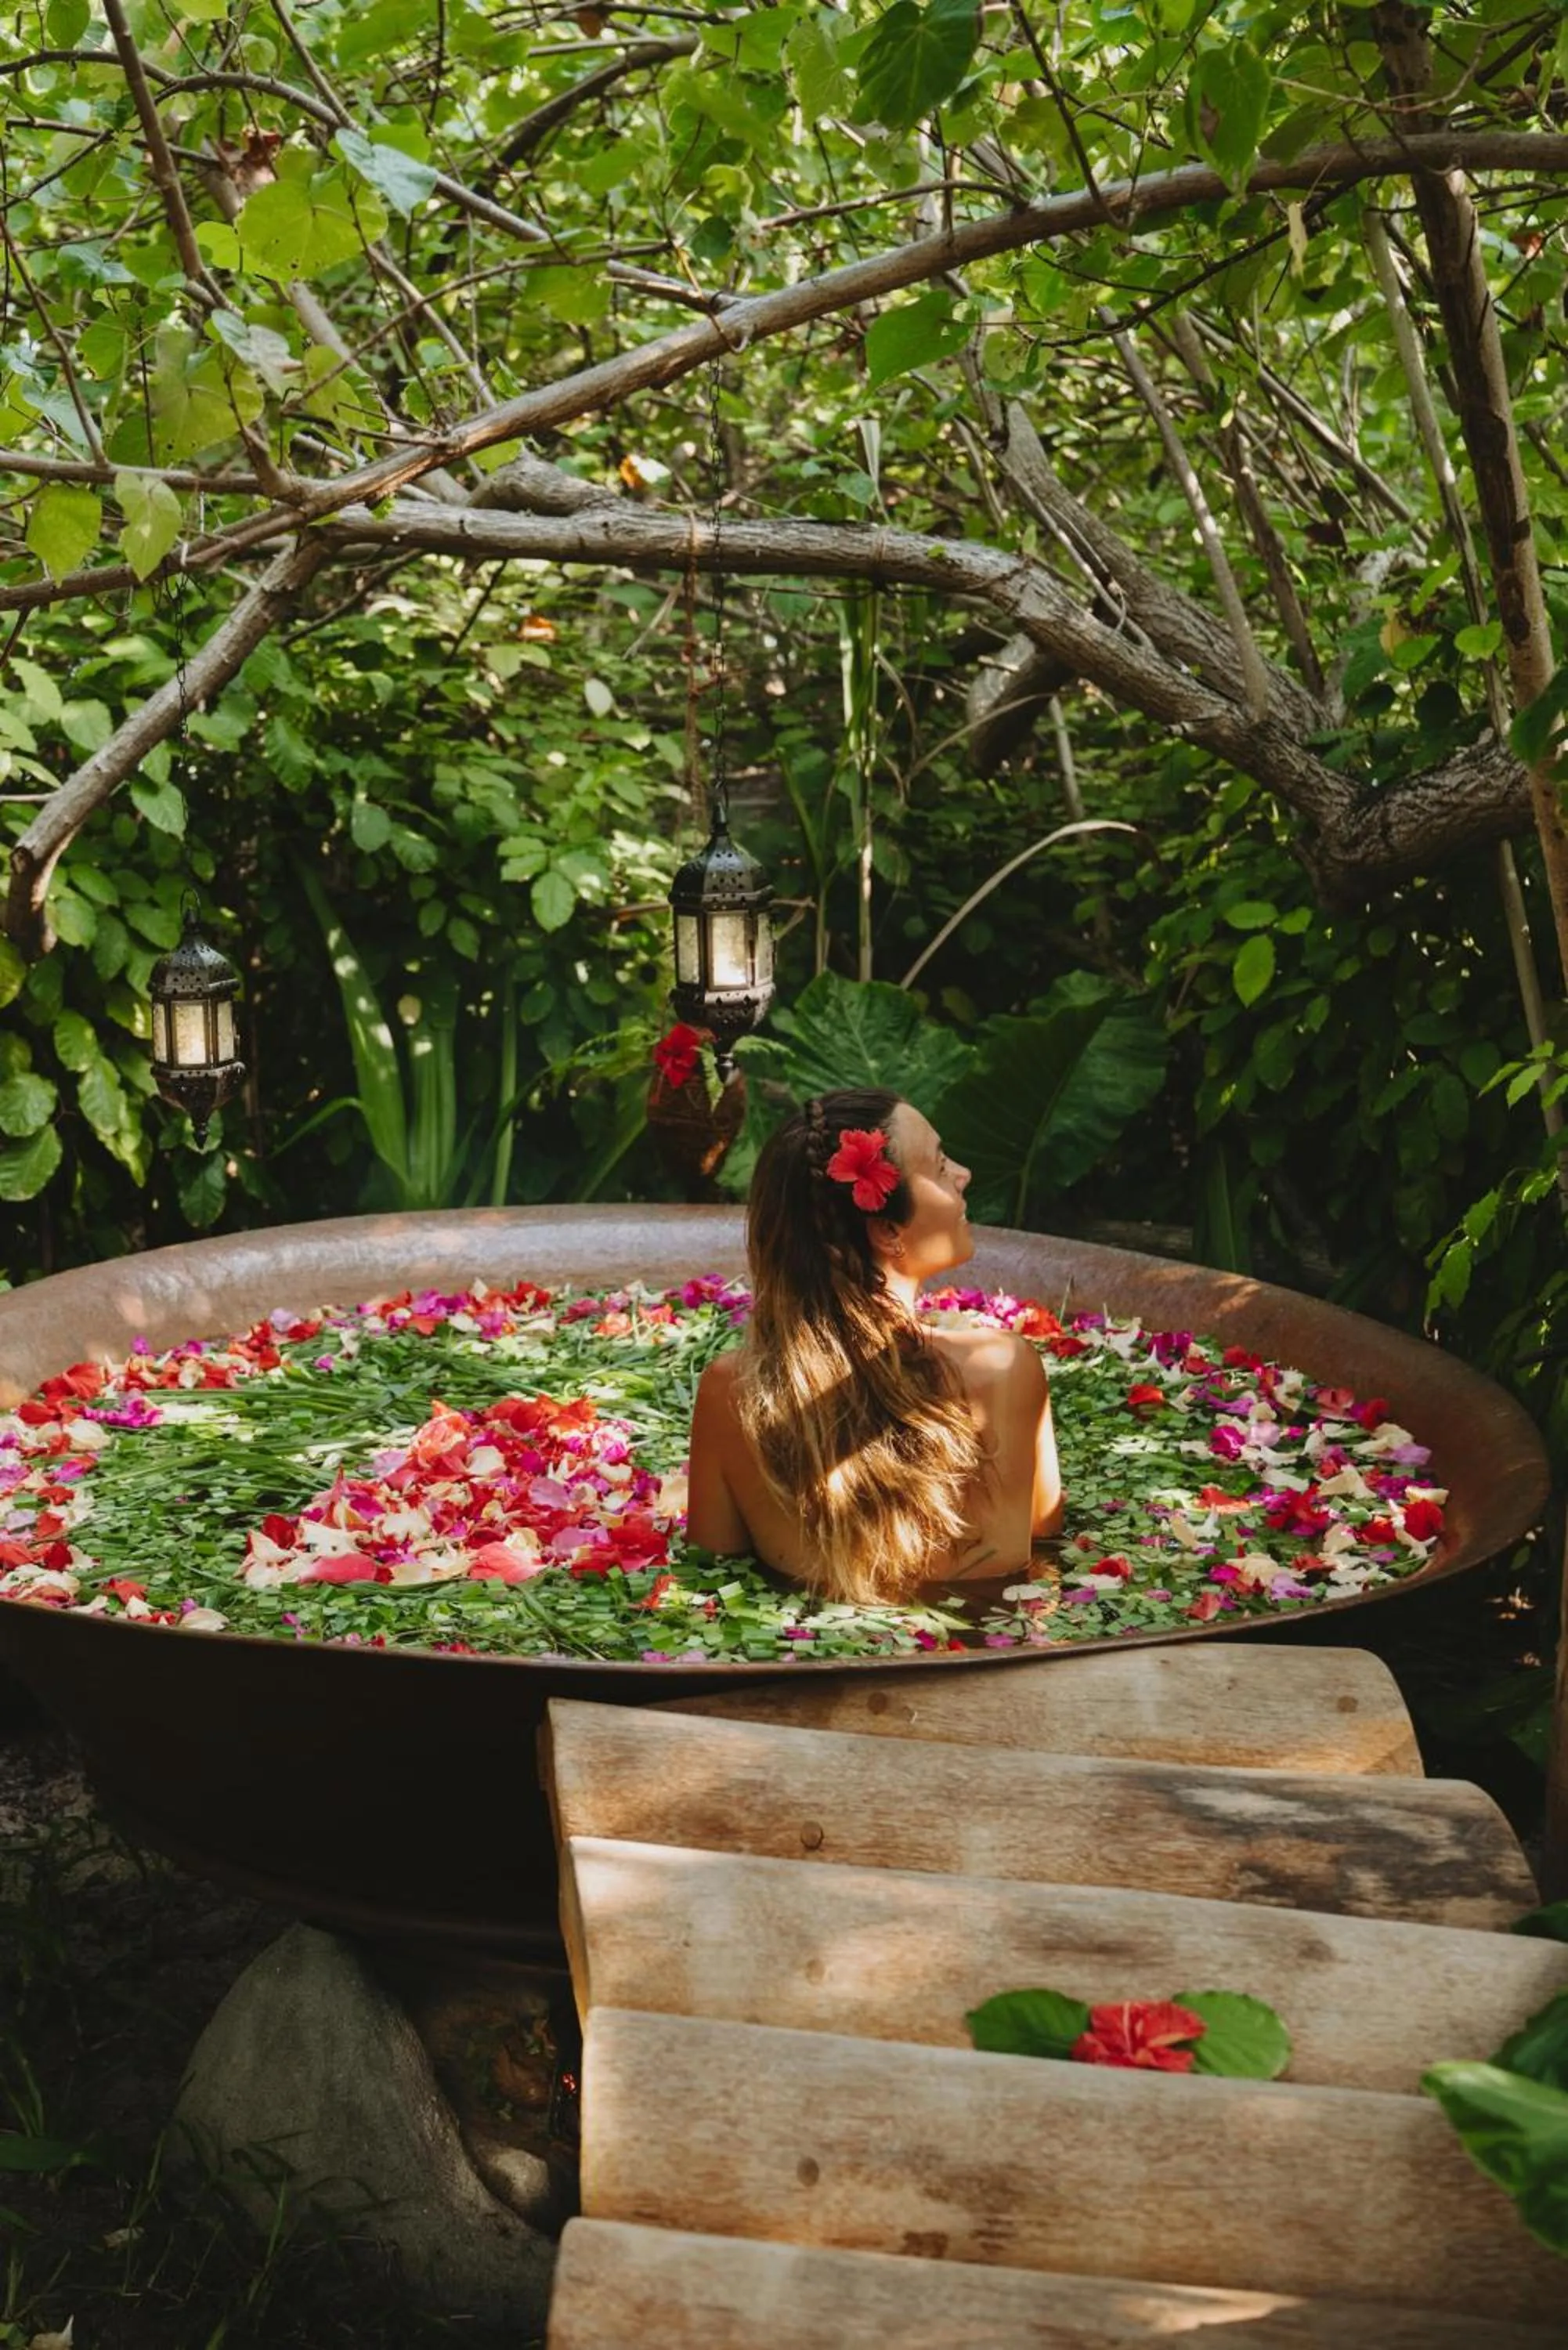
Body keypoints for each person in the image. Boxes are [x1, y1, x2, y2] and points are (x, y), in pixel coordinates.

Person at [686, 1086, 1064, 1607]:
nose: (963, 1174)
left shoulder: (731, 1392)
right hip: (981, 1665)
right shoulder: (1005, 1369)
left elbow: (710, 1571)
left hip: (804, 1676)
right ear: (888, 1231)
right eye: (939, 1166)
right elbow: (1045, 1531)